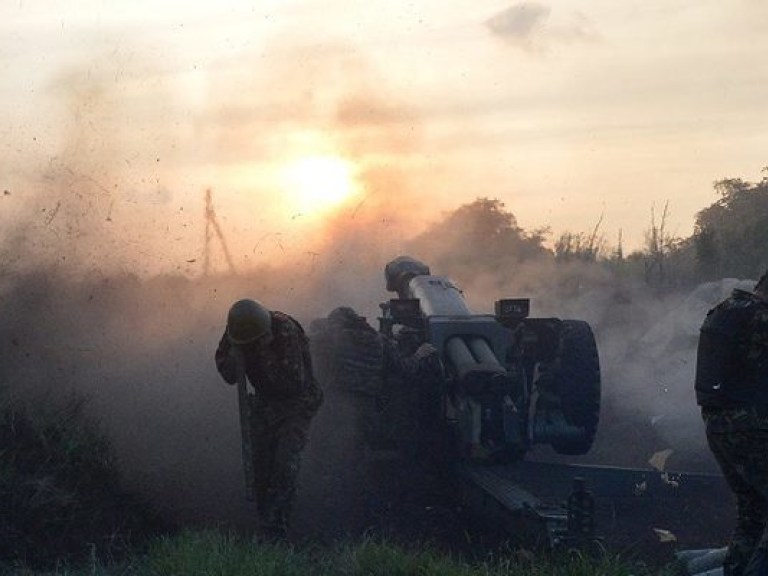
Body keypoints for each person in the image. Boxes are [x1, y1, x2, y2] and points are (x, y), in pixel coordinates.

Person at [215, 298, 323, 539]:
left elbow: (292, 383)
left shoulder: (285, 330)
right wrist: (234, 357)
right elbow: (228, 373)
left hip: (297, 404)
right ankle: (266, 519)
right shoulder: (237, 329)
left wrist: (263, 351)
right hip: (265, 404)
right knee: (260, 466)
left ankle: (277, 528)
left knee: (284, 465)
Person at [695, 271, 768, 576]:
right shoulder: (760, 319)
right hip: (754, 427)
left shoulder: (726, 311)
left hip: (720, 426)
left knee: (753, 513)